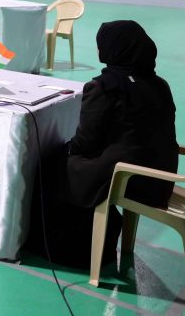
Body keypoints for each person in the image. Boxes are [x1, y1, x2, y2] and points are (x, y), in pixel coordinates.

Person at [27, 21, 179, 268]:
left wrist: (64, 149)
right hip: (161, 178)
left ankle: (62, 247)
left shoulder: (105, 87)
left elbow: (85, 142)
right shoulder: (158, 84)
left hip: (128, 178)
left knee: (50, 165)